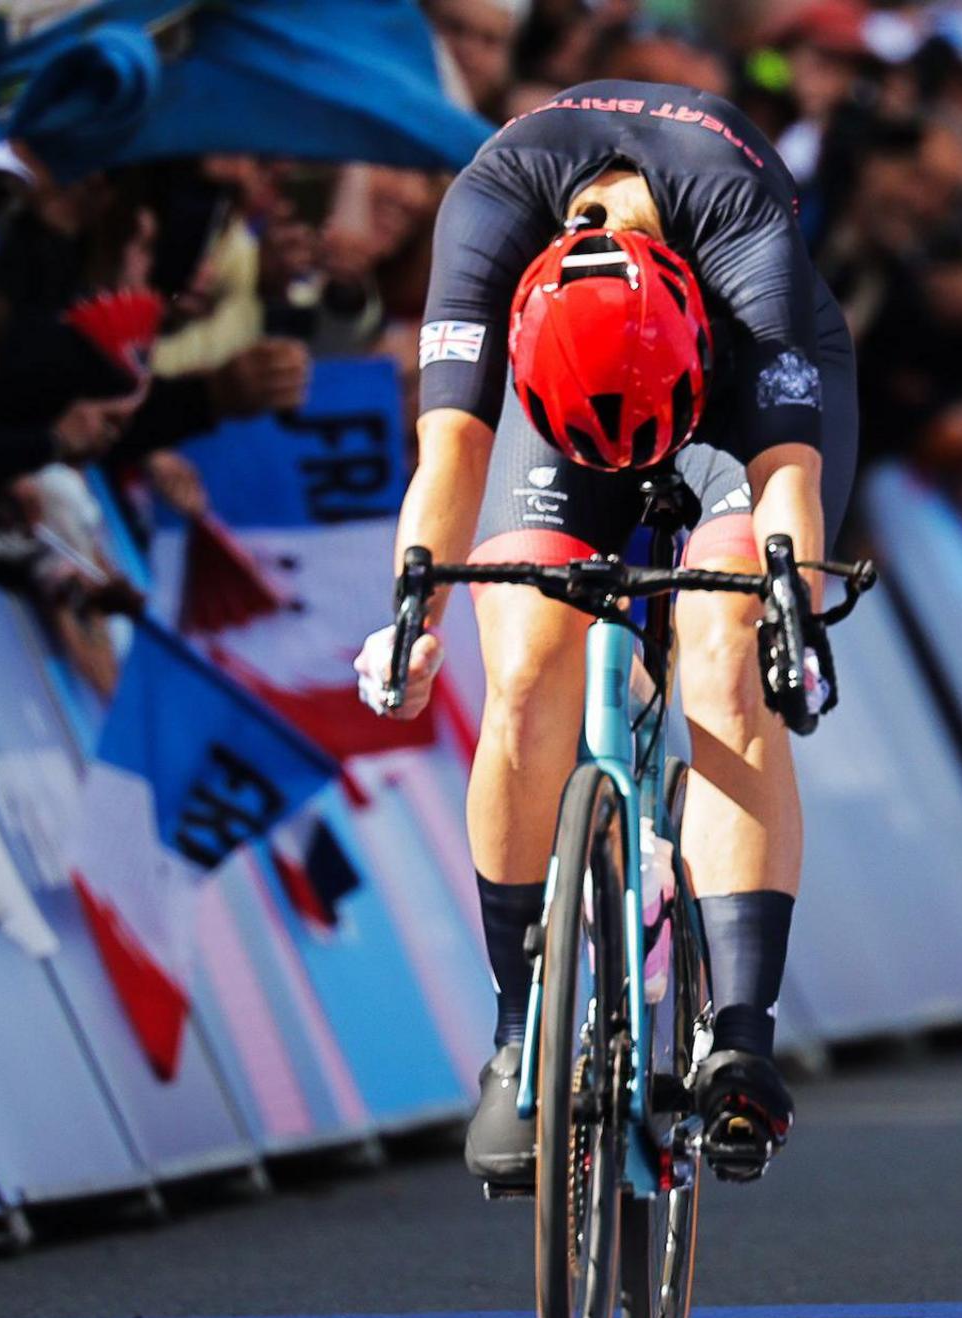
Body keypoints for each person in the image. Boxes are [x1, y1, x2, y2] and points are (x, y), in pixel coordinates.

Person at [353, 79, 859, 1190]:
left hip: (722, 388)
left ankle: (739, 1034)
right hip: (561, 395)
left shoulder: (737, 221)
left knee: (730, 663)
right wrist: (411, 617)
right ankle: (514, 1032)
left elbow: (787, 474)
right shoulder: (488, 214)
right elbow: (451, 455)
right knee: (527, 667)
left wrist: (792, 618)